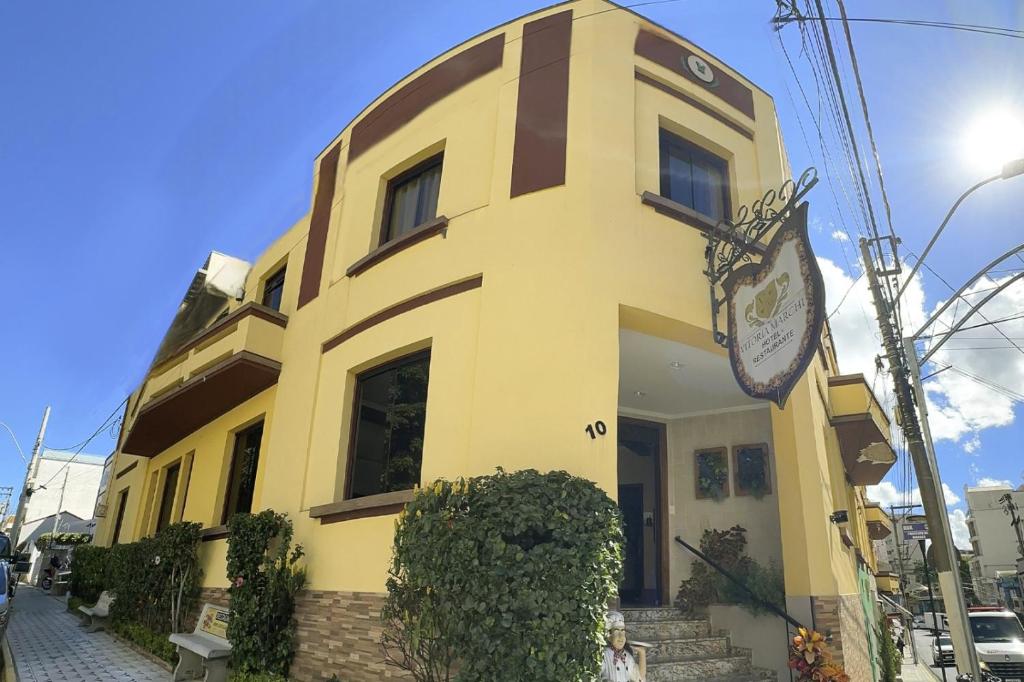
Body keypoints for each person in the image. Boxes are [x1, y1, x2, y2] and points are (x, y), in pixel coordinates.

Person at [600, 611, 646, 682]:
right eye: (616, 631)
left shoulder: (627, 657)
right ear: (608, 636)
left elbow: (640, 677)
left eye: (623, 631)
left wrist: (642, 653)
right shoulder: (604, 655)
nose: (621, 636)